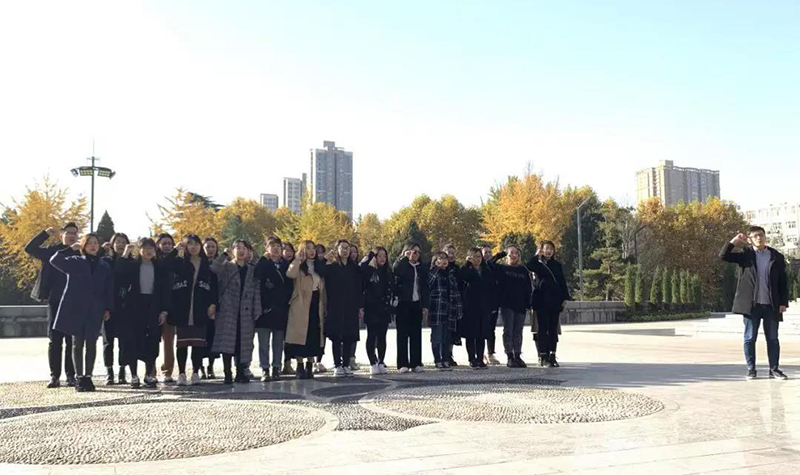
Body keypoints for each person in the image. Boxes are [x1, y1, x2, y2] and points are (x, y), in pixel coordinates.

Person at [720, 226, 790, 380]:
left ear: (765, 237)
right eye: (755, 236)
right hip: (751, 305)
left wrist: (783, 302)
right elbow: (723, 255)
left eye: (761, 235)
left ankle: (774, 369)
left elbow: (783, 281)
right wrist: (734, 241)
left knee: (773, 338)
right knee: (750, 338)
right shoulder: (746, 255)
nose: (759, 238)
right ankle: (751, 369)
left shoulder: (776, 256)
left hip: (771, 305)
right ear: (750, 239)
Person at [49, 234, 114, 392]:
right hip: (76, 308)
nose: (93, 246)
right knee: (77, 344)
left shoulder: (104, 265)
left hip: (95, 308)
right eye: (89, 243)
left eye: (95, 243)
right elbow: (54, 260)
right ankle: (79, 377)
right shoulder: (75, 261)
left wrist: (107, 308)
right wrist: (69, 249)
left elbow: (108, 289)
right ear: (83, 246)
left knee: (91, 343)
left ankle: (88, 377)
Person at [24, 223, 79, 388]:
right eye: (68, 233)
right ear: (61, 235)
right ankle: (55, 376)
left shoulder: (80, 252)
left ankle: (71, 376)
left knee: (71, 341)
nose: (72, 236)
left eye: (75, 233)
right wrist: (45, 233)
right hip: (55, 301)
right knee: (55, 340)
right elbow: (30, 248)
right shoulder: (52, 251)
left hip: (74, 302)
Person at [117, 238, 172, 388]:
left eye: (151, 248)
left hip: (153, 305)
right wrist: (125, 254)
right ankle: (134, 375)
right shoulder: (132, 265)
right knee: (133, 340)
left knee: (152, 341)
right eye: (145, 248)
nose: (148, 251)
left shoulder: (159, 267)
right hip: (135, 306)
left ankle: (149, 374)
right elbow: (119, 272)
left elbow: (165, 290)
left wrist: (164, 310)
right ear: (139, 250)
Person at [171, 235, 218, 386]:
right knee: (182, 343)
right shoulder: (179, 262)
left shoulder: (206, 264)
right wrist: (175, 251)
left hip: (200, 307)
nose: (193, 247)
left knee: (198, 343)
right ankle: (182, 373)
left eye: (196, 244)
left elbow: (214, 286)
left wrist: (213, 303)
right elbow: (166, 268)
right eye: (189, 244)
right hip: (183, 307)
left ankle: (196, 372)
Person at [211, 240, 260, 384]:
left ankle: (240, 372)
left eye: (244, 248)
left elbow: (256, 290)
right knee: (227, 342)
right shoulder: (227, 266)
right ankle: (227, 373)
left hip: (246, 310)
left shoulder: (252, 269)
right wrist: (224, 255)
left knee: (243, 343)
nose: (241, 251)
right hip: (228, 309)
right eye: (238, 248)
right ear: (233, 250)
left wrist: (257, 307)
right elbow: (213, 268)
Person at [285, 241, 327, 379]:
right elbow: (290, 274)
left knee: (314, 335)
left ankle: (310, 364)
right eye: (308, 248)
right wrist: (297, 259)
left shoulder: (318, 267)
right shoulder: (299, 266)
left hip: (316, 303)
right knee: (300, 336)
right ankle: (300, 365)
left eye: (313, 248)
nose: (312, 251)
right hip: (301, 304)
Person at [526, 241, 571, 368]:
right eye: (546, 249)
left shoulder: (557, 265)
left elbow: (562, 282)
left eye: (551, 249)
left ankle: (552, 354)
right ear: (541, 250)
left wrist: (565, 299)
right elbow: (528, 266)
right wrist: (537, 255)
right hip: (541, 301)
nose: (549, 251)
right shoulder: (538, 264)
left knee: (553, 329)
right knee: (542, 328)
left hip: (555, 300)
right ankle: (543, 355)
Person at [324, 240, 364, 377]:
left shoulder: (354, 268)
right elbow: (319, 270)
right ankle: (337, 365)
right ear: (337, 249)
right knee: (336, 336)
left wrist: (360, 306)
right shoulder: (332, 267)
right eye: (342, 248)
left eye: (347, 248)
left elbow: (359, 288)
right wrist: (326, 258)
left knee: (348, 336)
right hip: (335, 306)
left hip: (351, 306)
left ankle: (346, 364)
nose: (345, 250)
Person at [255, 236, 292, 381]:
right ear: (266, 248)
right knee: (263, 343)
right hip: (265, 309)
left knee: (278, 342)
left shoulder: (286, 265)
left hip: (281, 308)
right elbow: (257, 275)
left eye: (278, 246)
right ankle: (265, 368)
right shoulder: (263, 263)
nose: (276, 249)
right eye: (272, 246)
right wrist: (264, 259)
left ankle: (276, 367)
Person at [490, 246, 533, 368]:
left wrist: (528, 303)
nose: (514, 255)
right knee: (508, 330)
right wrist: (501, 254)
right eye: (511, 253)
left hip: (520, 305)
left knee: (518, 331)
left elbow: (528, 288)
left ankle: (517, 355)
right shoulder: (501, 268)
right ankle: (510, 355)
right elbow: (489, 264)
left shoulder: (523, 270)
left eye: (516, 253)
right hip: (507, 304)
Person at [100, 232, 132, 385]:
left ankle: (122, 371)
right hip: (109, 306)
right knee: (108, 341)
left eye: (123, 242)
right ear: (112, 244)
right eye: (117, 242)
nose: (120, 245)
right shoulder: (106, 261)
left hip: (125, 306)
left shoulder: (132, 262)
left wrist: (126, 257)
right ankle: (109, 372)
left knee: (124, 341)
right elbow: (114, 275)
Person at [393, 242, 430, 373]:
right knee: (402, 334)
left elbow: (425, 287)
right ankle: (402, 363)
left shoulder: (421, 267)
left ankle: (416, 362)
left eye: (418, 252)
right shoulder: (401, 264)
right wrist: (405, 258)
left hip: (416, 302)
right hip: (403, 302)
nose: (415, 254)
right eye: (413, 251)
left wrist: (425, 305)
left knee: (416, 334)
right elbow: (396, 272)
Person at [360, 247, 394, 375]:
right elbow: (361, 267)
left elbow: (391, 288)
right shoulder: (369, 270)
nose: (382, 258)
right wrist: (370, 255)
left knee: (382, 336)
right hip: (371, 308)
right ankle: (372, 362)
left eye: (384, 256)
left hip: (384, 308)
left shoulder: (387, 271)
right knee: (371, 335)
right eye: (379, 256)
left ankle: (381, 361)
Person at [459, 247, 495, 369]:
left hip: (483, 306)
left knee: (482, 334)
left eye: (479, 257)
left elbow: (491, 286)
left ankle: (480, 358)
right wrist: (467, 264)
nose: (477, 259)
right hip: (470, 306)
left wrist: (492, 305)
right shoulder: (466, 269)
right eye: (474, 257)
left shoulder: (486, 270)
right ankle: (472, 358)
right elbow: (462, 278)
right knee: (471, 334)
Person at [427, 251, 463, 370]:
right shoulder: (433, 273)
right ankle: (437, 359)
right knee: (437, 336)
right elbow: (428, 284)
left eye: (445, 259)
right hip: (437, 309)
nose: (444, 261)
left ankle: (446, 358)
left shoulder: (450, 274)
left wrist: (459, 309)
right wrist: (437, 268)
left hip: (449, 309)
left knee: (447, 337)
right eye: (441, 258)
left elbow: (456, 292)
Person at [155, 233, 179, 382]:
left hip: (171, 304)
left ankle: (167, 371)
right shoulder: (154, 259)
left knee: (169, 341)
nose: (167, 246)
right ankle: (151, 371)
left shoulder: (176, 259)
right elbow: (163, 266)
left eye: (170, 243)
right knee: (152, 340)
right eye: (164, 243)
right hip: (154, 304)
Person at [201, 237, 220, 379]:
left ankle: (211, 366)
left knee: (213, 337)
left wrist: (215, 304)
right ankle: (199, 367)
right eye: (208, 246)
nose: (211, 249)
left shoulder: (220, 264)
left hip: (216, 303)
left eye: (213, 246)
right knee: (200, 338)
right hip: (200, 304)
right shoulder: (199, 262)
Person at [480, 244, 501, 365]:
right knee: (480, 328)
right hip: (481, 302)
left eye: (489, 252)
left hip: (493, 302)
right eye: (485, 253)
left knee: (491, 329)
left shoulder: (495, 267)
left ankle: (490, 352)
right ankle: (480, 353)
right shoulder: (479, 268)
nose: (488, 255)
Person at [442, 243, 461, 367]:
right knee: (443, 330)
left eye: (453, 253)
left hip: (454, 302)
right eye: (449, 253)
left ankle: (449, 353)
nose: (451, 255)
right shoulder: (440, 268)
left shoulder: (457, 268)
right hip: (443, 302)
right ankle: (442, 354)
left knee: (452, 330)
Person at [280, 242, 297, 376]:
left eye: (290, 250)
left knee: (289, 337)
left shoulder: (297, 265)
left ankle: (287, 363)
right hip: (281, 305)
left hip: (294, 304)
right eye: (285, 250)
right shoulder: (279, 266)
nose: (288, 253)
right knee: (279, 338)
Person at [347, 244, 362, 371]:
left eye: (355, 252)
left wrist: (360, 307)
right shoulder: (339, 267)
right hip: (342, 305)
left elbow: (360, 289)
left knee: (353, 333)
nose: (353, 254)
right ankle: (343, 359)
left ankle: (352, 358)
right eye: (351, 252)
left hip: (354, 304)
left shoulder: (358, 269)